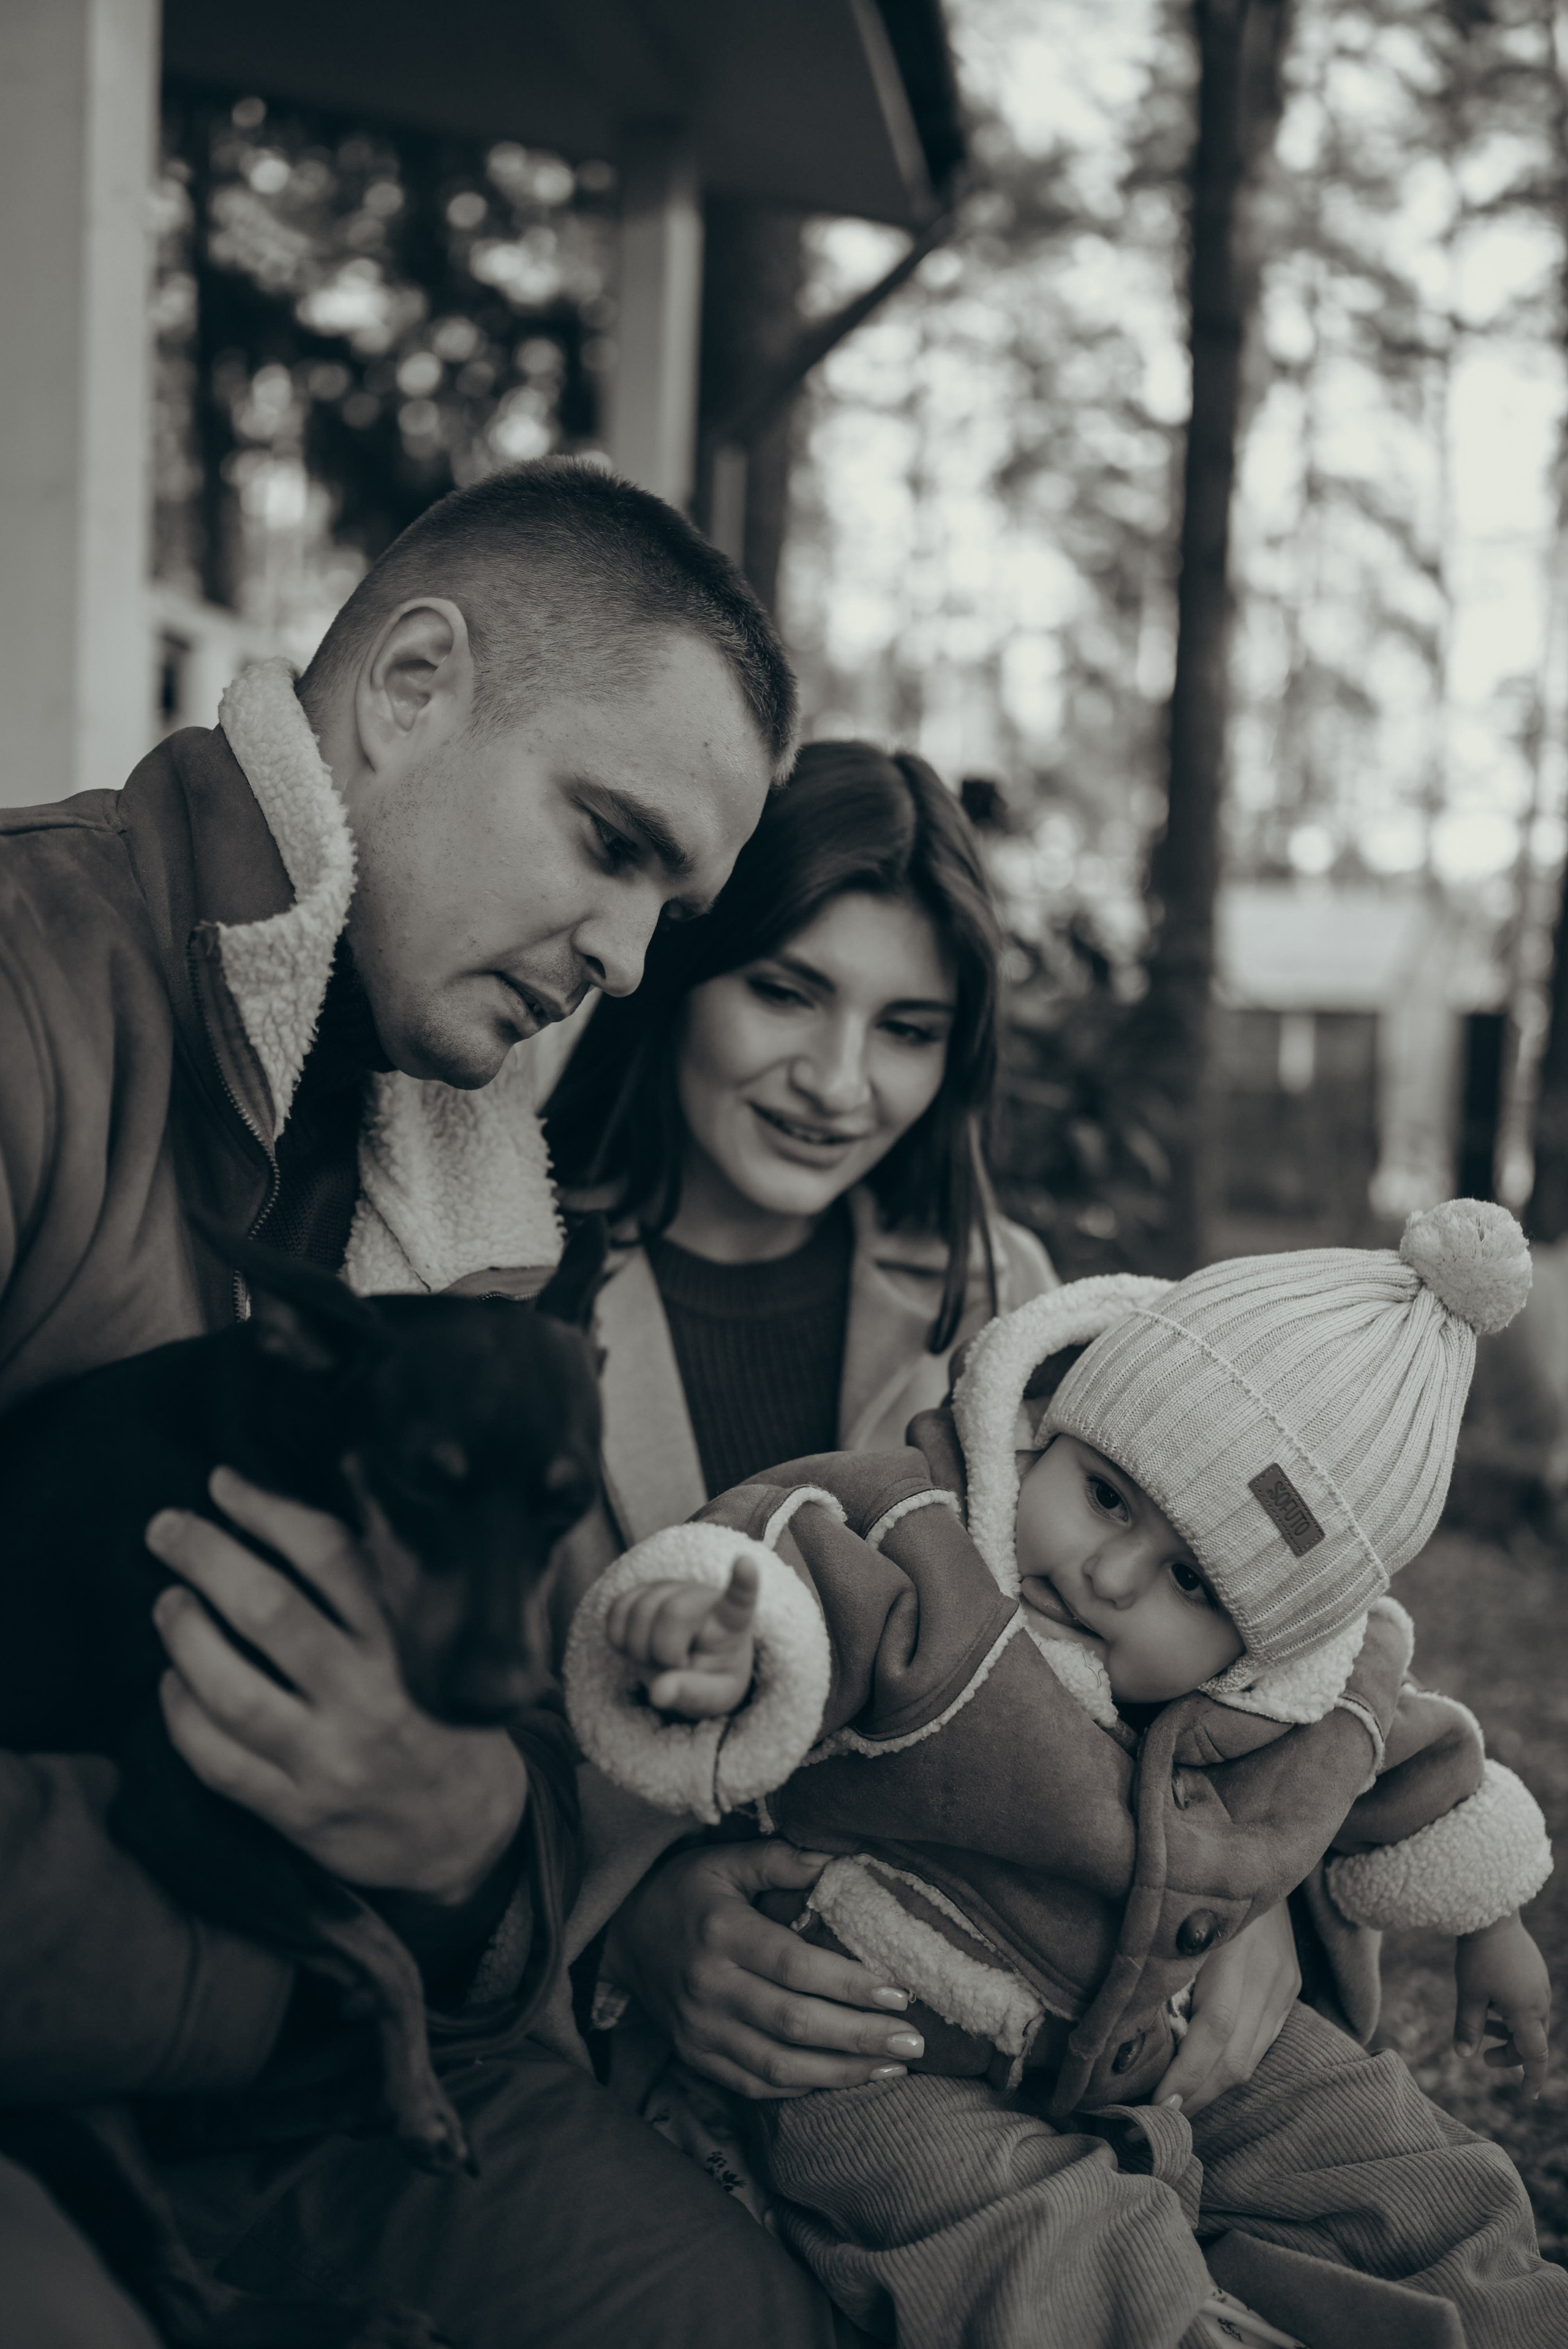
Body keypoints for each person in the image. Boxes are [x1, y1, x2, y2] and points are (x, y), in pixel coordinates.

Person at [0, 459, 855, 2349]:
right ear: (407, 689)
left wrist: (464, 1839)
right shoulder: (22, 993)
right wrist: (263, 1967)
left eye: (675, 907)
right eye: (613, 842)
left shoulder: (478, 1201)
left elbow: (516, 1812)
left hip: (346, 2073)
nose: (628, 965)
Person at [572, 1198, 1566, 2348]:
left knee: (1405, 2163)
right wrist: (704, 1641)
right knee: (1031, 2236)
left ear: (1269, 1644)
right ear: (1050, 1429)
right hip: (893, 2035)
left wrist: (1492, 1921)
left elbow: (1415, 1768)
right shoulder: (924, 1561)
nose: (1105, 1573)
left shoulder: (1298, 1704)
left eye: (1194, 1584)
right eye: (1105, 1494)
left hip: (1174, 2036)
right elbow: (788, 1584)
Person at [544, 744, 1305, 2125]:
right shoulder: (492, 1275)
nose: (838, 1081)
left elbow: (1210, 1618)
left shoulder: (1012, 1303)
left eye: (906, 1028)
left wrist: (1241, 1892)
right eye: (785, 990)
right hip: (635, 2075)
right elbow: (451, 1721)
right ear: (678, 964)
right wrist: (633, 1926)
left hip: (995, 2033)